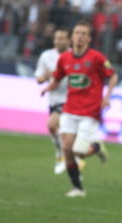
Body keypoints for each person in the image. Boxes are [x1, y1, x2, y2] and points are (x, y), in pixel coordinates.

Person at [41, 21, 118, 197]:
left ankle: (97, 147)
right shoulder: (64, 59)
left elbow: (112, 75)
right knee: (67, 149)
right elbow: (58, 78)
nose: (79, 36)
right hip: (69, 109)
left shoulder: (96, 57)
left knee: (79, 152)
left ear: (89, 38)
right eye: (77, 32)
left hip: (90, 112)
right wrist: (48, 87)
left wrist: (107, 97)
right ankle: (78, 188)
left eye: (83, 33)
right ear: (72, 37)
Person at [35, 27, 79, 175]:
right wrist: (48, 76)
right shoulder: (46, 56)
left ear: (68, 40)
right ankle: (65, 154)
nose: (57, 41)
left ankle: (65, 155)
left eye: (61, 38)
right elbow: (39, 78)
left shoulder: (76, 56)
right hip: (53, 99)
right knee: (56, 129)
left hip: (71, 99)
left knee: (52, 124)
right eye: (56, 38)